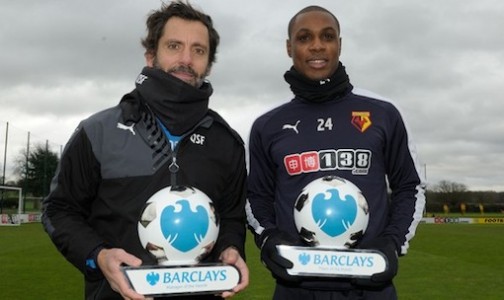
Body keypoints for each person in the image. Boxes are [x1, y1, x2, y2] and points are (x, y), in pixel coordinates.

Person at [42, 1, 249, 299]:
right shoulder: (99, 132)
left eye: (199, 50)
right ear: (151, 55)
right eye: (174, 46)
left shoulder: (226, 142)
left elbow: (231, 216)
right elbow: (59, 210)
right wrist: (98, 256)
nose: (186, 59)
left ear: (209, 64)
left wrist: (231, 247)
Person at [246, 5, 425, 300]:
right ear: (289, 47)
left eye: (327, 36)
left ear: (339, 44)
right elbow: (256, 196)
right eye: (304, 38)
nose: (317, 45)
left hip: (370, 286)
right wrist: (268, 237)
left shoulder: (382, 113)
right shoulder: (268, 125)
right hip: (296, 288)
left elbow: (410, 186)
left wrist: (393, 242)